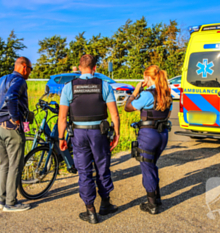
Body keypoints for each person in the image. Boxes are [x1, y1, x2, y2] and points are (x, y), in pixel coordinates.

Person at [58, 54, 120, 224]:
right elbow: (114, 114)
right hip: (99, 134)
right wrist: (117, 133)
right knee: (102, 167)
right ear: (95, 68)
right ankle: (105, 203)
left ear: (78, 68)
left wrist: (61, 138)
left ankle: (90, 211)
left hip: (78, 134)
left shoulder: (69, 87)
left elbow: (62, 118)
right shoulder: (104, 85)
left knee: (84, 171)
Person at [0, 57, 33, 212]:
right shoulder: (20, 81)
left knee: (4, 164)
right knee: (15, 165)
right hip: (12, 128)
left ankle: (2, 200)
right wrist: (14, 117)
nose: (30, 73)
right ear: (24, 67)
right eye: (30, 69)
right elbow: (11, 97)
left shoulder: (1, 80)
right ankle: (11, 203)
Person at [124, 65, 172, 214]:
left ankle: (151, 205)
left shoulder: (147, 94)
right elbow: (167, 115)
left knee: (147, 167)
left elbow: (128, 107)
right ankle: (156, 198)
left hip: (148, 135)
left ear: (148, 77)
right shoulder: (166, 93)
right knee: (152, 165)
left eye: (145, 77)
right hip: (162, 134)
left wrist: (135, 92)